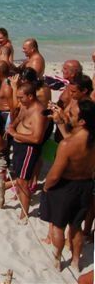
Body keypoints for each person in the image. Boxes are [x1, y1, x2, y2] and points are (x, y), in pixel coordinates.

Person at [41, 100, 95, 271]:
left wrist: (46, 186)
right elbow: (74, 141)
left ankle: (57, 260)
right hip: (85, 185)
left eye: (71, 115)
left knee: (58, 226)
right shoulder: (91, 139)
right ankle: (75, 262)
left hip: (66, 187)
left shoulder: (67, 145)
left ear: (82, 122)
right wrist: (61, 124)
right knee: (76, 225)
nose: (67, 115)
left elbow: (55, 174)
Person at [6, 82, 49, 223]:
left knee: (23, 182)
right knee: (18, 177)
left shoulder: (39, 112)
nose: (19, 101)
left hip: (28, 149)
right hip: (18, 146)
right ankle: (19, 198)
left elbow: (37, 139)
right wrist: (12, 125)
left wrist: (14, 134)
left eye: (21, 97)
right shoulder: (25, 105)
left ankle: (24, 214)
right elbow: (19, 117)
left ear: (30, 96)